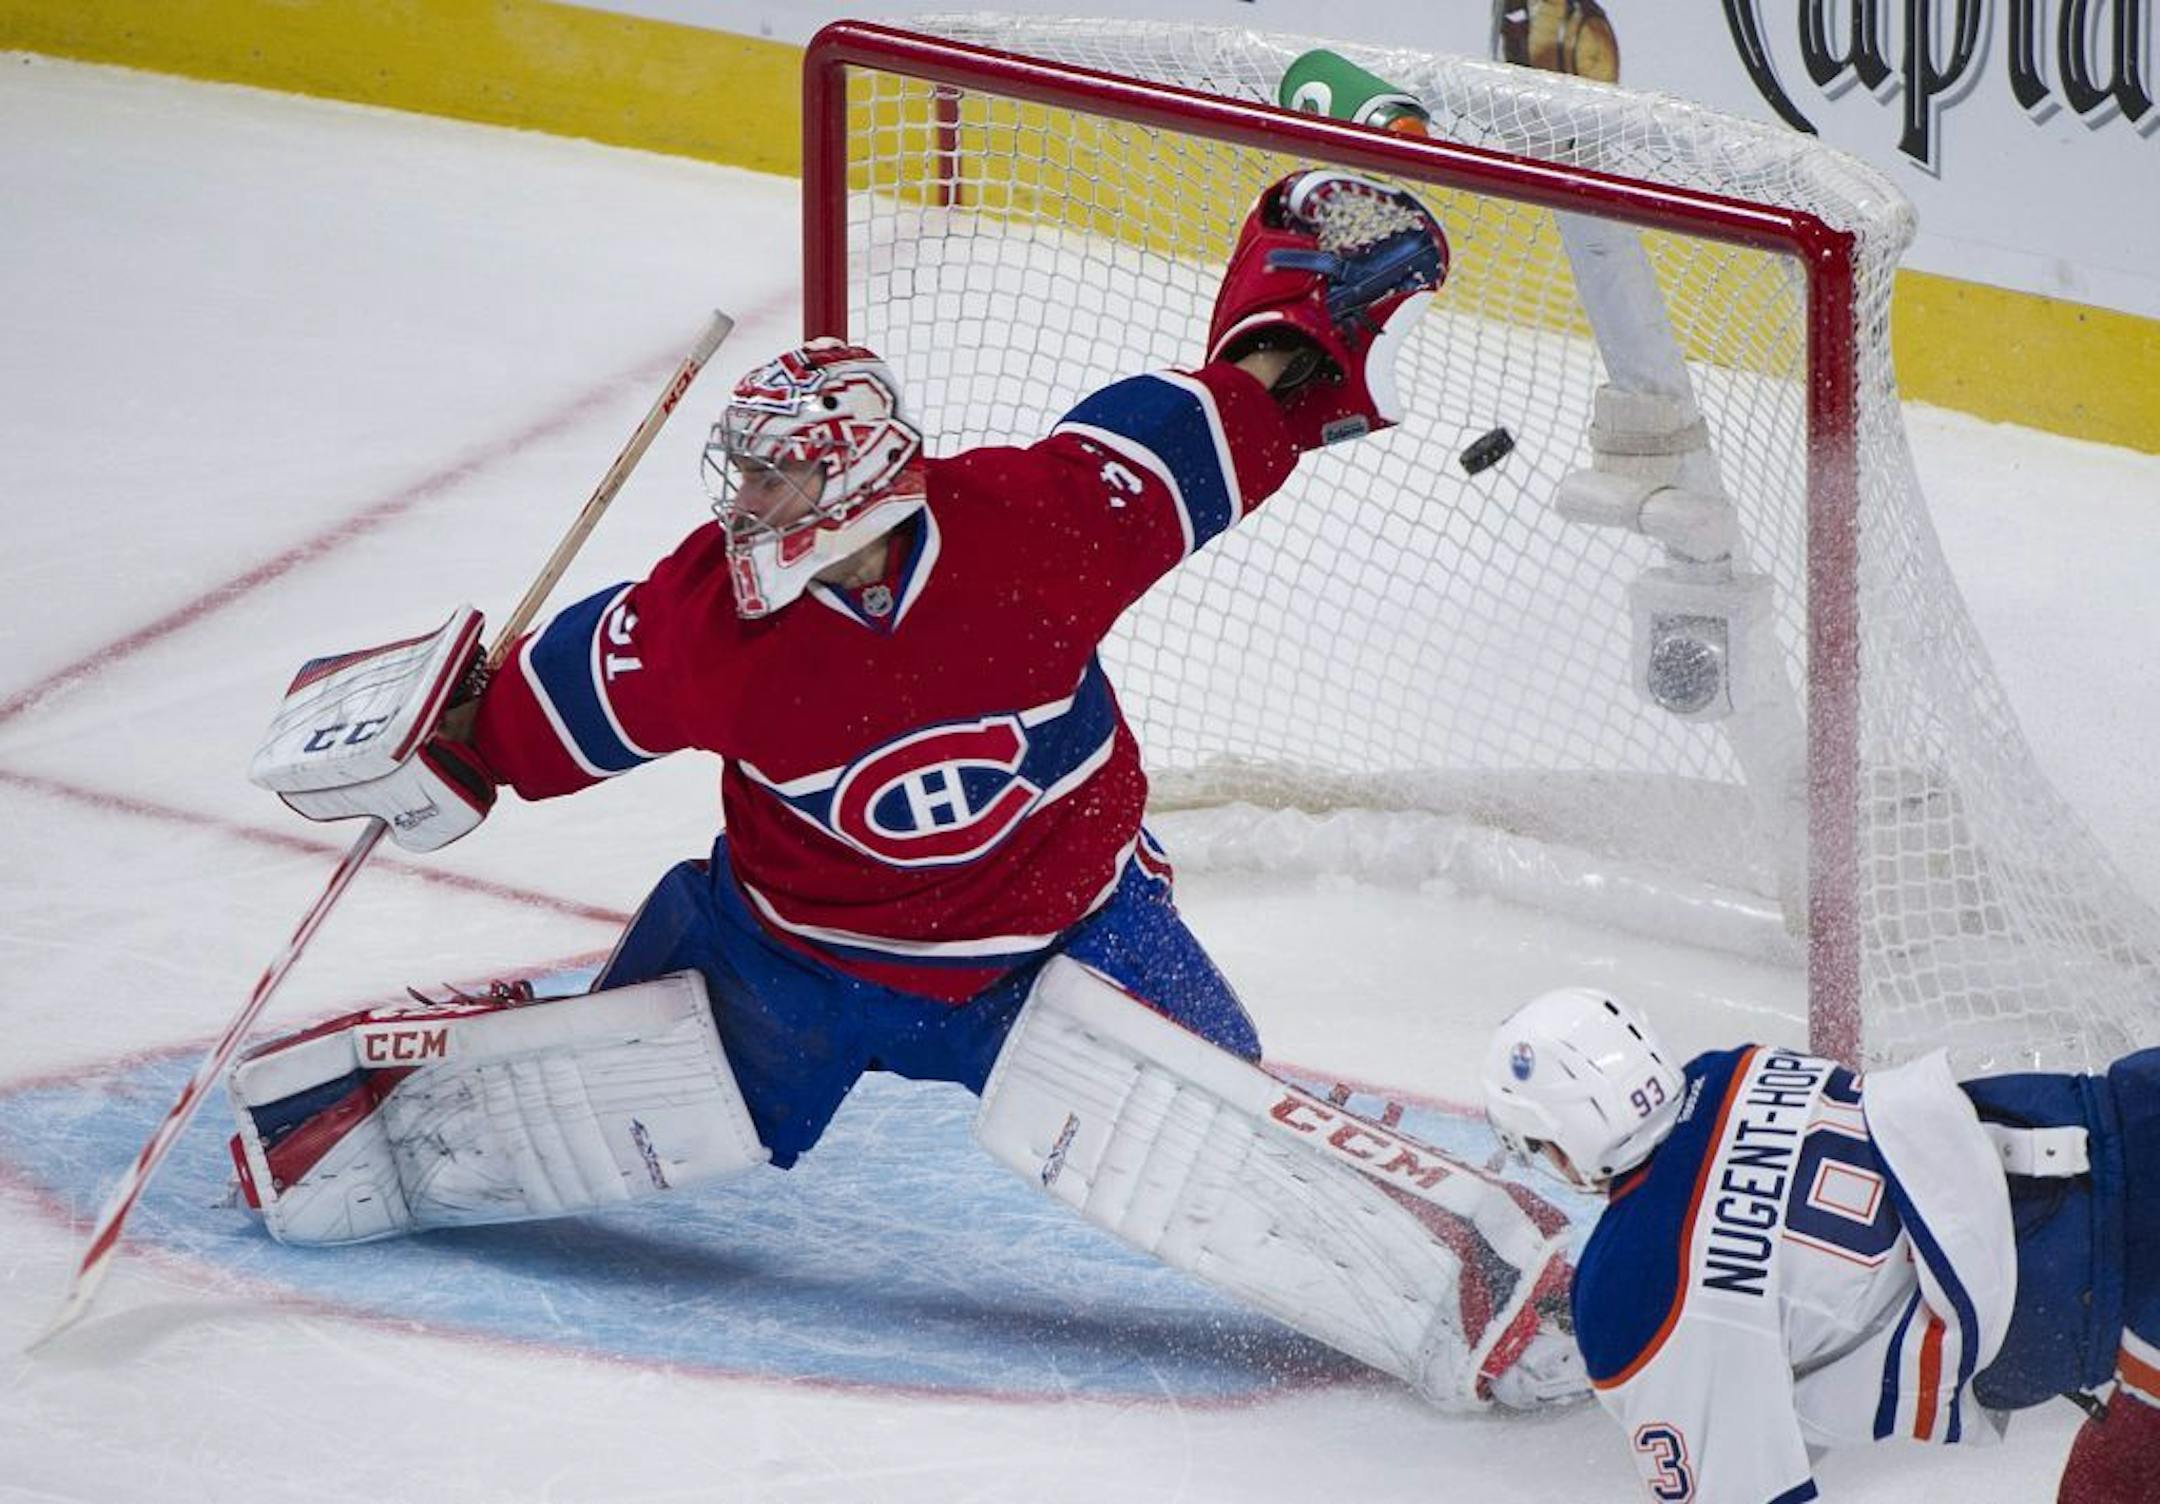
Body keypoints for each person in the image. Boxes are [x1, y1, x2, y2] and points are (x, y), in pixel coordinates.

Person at [226, 170, 1588, 1412]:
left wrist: (1309, 308)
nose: (744, 502)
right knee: (625, 1088)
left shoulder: (1049, 521)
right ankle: (407, 1094)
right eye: (744, 474)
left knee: (1237, 1142)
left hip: (1065, 938)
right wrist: (436, 730)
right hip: (790, 964)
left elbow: (1253, 404)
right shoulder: (701, 622)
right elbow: (516, 728)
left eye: (773, 475)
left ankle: (1457, 1288)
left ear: (855, 477)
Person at [1480, 987, 2160, 1502]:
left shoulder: (1628, 1294)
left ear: (1556, 1142)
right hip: (2126, 1112)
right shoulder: (1736, 1068)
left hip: (2110, 1275)